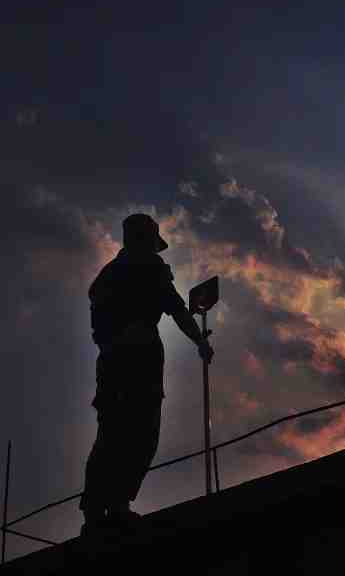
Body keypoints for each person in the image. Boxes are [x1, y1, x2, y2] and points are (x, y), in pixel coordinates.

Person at [79, 213, 214, 535]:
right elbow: (177, 310)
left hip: (119, 361)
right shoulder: (145, 270)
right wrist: (198, 340)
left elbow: (101, 328)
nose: (154, 249)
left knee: (120, 433)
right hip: (133, 360)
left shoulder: (109, 276)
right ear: (144, 239)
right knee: (133, 432)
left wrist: (197, 338)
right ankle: (109, 507)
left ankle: (104, 508)